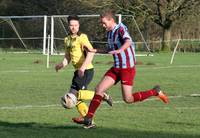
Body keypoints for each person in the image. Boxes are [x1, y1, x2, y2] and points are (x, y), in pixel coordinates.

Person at [73, 10, 169, 128]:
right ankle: (88, 118)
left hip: (127, 69)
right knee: (99, 89)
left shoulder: (121, 28)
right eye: (101, 23)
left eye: (104, 23)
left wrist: (120, 50)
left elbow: (128, 41)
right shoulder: (109, 33)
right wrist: (94, 50)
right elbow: (109, 49)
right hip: (116, 67)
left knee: (128, 99)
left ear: (111, 20)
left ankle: (155, 91)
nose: (103, 26)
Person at [55, 15, 112, 123]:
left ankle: (102, 95)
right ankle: (88, 121)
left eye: (76, 25)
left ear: (79, 25)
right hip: (78, 72)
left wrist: (82, 68)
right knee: (73, 98)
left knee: (74, 95)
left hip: (86, 70)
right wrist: (61, 65)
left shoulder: (82, 37)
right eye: (71, 25)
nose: (74, 27)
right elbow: (68, 57)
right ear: (68, 26)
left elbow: (90, 52)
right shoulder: (67, 39)